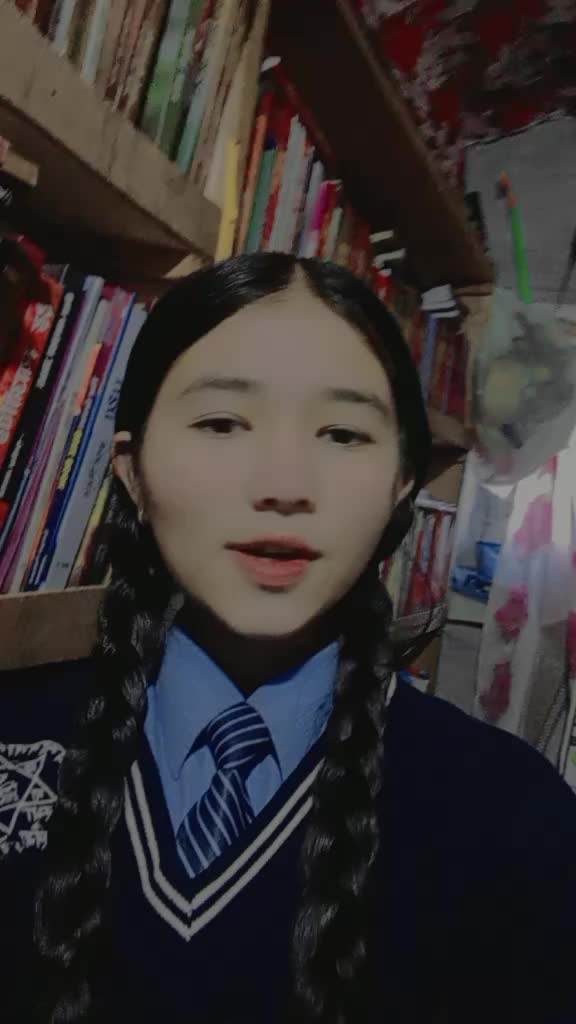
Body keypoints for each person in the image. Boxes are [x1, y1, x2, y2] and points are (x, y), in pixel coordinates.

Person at [1, 253, 576, 1024]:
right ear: (132, 473)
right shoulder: (14, 731)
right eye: (221, 423)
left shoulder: (514, 819)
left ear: (401, 484)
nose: (284, 485)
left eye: (342, 433)